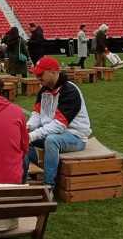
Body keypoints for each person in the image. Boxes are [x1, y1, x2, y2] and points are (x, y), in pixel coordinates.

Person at [26, 57, 92, 188]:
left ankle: (49, 185)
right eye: (36, 73)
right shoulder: (43, 89)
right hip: (54, 132)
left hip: (75, 136)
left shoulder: (70, 91)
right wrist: (27, 128)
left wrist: (33, 135)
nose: (37, 77)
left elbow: (59, 124)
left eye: (40, 74)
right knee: (21, 138)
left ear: (53, 72)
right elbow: (37, 114)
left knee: (52, 140)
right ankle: (33, 172)